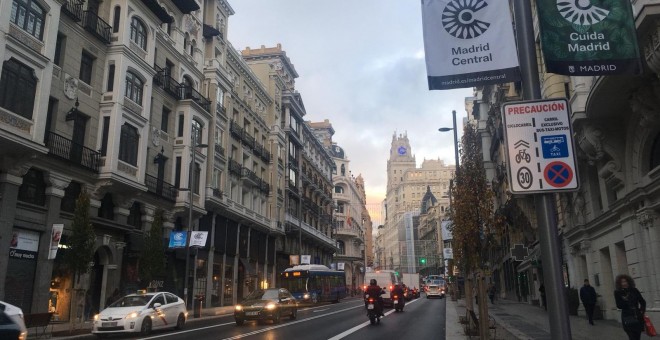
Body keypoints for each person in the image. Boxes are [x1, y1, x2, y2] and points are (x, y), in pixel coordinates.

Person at [614, 274, 646, 340]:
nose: (624, 283)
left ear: (629, 282)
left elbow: (642, 301)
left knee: (637, 336)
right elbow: (619, 305)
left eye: (625, 281)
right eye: (622, 282)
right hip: (627, 316)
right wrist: (626, 300)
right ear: (619, 284)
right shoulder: (618, 292)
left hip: (637, 316)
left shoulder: (634, 290)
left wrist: (642, 311)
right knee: (632, 337)